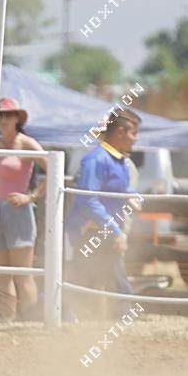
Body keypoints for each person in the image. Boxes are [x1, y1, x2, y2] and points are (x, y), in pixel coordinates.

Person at [66, 108, 142, 320]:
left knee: (90, 278)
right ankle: (120, 319)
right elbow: (87, 200)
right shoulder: (96, 160)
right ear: (120, 132)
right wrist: (116, 231)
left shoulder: (119, 160)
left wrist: (132, 197)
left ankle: (67, 316)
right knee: (102, 280)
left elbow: (120, 189)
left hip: (104, 231)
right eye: (134, 133)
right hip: (90, 232)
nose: (136, 139)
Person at [0, 98, 48, 321]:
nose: (2, 119)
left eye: (7, 115)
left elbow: (53, 170)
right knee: (2, 274)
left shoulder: (27, 143)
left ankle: (30, 320)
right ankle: (7, 320)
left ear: (17, 119)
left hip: (19, 211)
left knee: (23, 273)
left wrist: (30, 197)